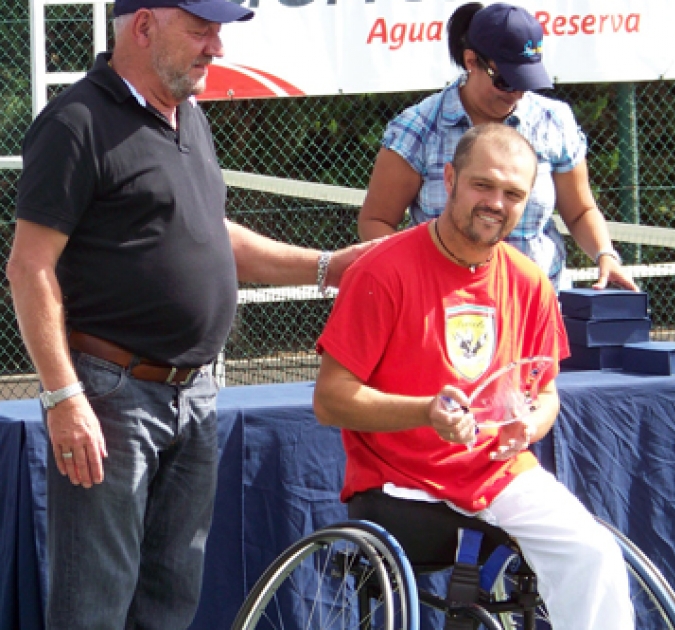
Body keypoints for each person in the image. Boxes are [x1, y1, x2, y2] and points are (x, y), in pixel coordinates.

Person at [6, 0, 372, 627]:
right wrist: (63, 396)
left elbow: (208, 233)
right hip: (111, 397)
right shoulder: (75, 123)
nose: (218, 49)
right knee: (94, 604)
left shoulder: (188, 117)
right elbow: (29, 266)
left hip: (195, 394)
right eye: (201, 31)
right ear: (144, 26)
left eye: (219, 32)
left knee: (172, 600)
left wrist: (327, 266)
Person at [314, 123, 634, 629]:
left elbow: (546, 392)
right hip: (401, 481)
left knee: (594, 554)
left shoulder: (530, 281)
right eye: (483, 185)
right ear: (449, 179)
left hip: (499, 473)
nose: (496, 202)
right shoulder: (381, 270)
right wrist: (425, 412)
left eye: (512, 193)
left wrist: (529, 424)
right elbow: (330, 400)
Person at [357, 1, 639, 293]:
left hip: (539, 303)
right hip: (447, 307)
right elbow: (376, 220)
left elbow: (580, 211)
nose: (517, 92)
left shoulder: (553, 120)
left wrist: (605, 254)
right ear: (471, 61)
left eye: (526, 81)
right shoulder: (418, 128)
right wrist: (414, 279)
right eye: (505, 81)